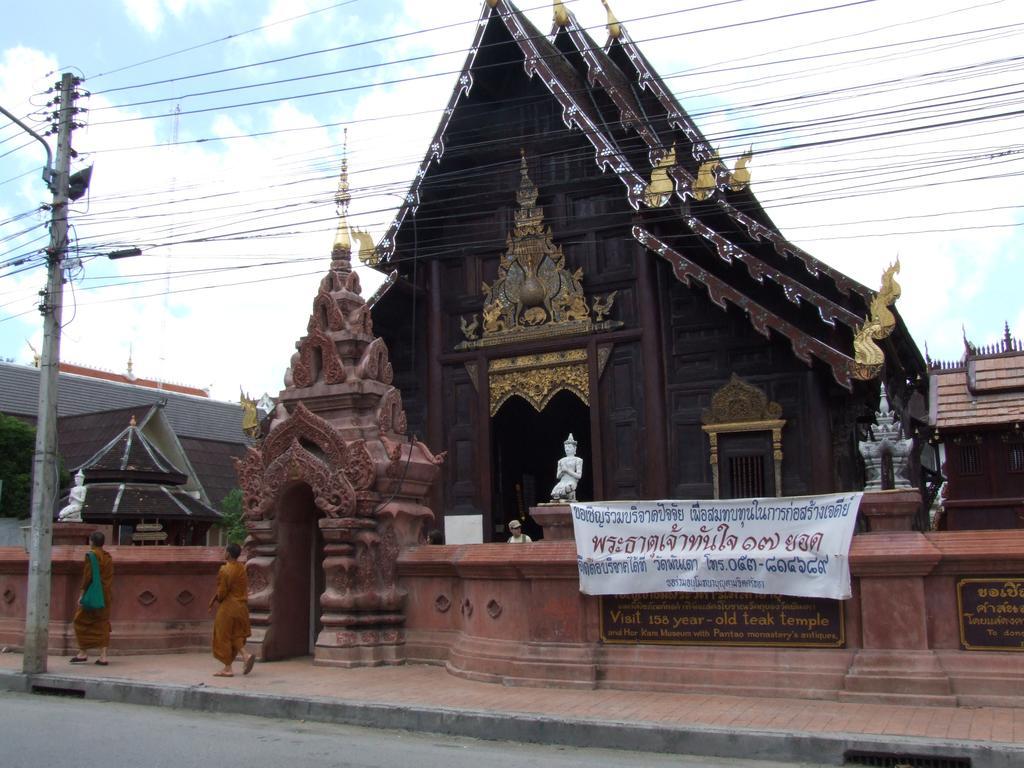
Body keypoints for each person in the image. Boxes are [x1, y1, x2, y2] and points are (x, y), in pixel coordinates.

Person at [208, 542, 255, 677]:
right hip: (241, 607)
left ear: (228, 553)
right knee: (235, 634)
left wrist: (217, 599)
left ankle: (227, 668)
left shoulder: (225, 569)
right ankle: (246, 655)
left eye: (225, 551)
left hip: (229, 606)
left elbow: (222, 592)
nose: (224, 553)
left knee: (222, 635)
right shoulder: (242, 568)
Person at [70, 530, 113, 665]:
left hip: (92, 595)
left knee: (79, 621)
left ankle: (83, 652)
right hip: (105, 594)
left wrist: (82, 593)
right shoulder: (108, 557)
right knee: (103, 623)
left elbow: (87, 577)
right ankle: (103, 655)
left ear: (92, 542)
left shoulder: (91, 556)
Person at [550, 433, 583, 502]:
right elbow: (558, 476)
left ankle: (566, 494)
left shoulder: (578, 460)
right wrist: (563, 471)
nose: (567, 449)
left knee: (569, 488)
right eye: (566, 447)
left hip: (571, 481)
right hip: (563, 481)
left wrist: (567, 470)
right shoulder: (561, 461)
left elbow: (579, 476)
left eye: (569, 447)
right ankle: (563, 494)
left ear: (574, 448)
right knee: (554, 492)